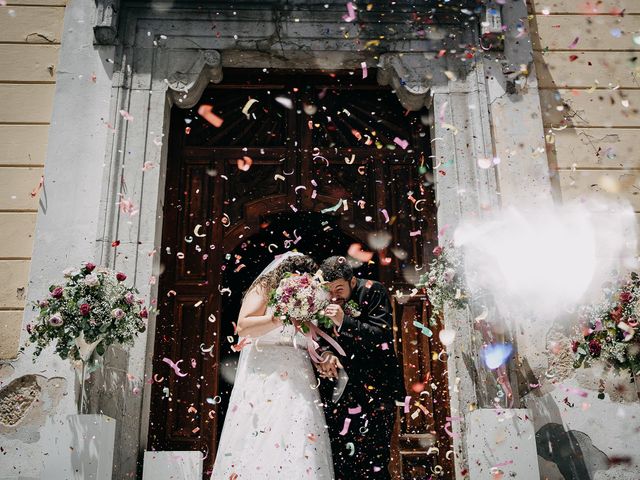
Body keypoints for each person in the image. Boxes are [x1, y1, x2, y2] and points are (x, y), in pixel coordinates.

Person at [210, 252, 334, 479]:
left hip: (299, 372)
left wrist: (324, 356)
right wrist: (278, 317)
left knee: (301, 430)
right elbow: (244, 326)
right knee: (261, 430)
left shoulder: (314, 296)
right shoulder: (265, 287)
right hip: (265, 372)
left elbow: (314, 336)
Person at [315, 255, 405, 480]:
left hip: (377, 388)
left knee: (375, 459)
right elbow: (321, 337)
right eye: (330, 291)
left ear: (352, 281)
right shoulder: (324, 302)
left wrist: (344, 321)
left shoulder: (374, 290)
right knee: (343, 460)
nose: (334, 296)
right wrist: (326, 353)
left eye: (339, 289)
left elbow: (381, 335)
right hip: (343, 391)